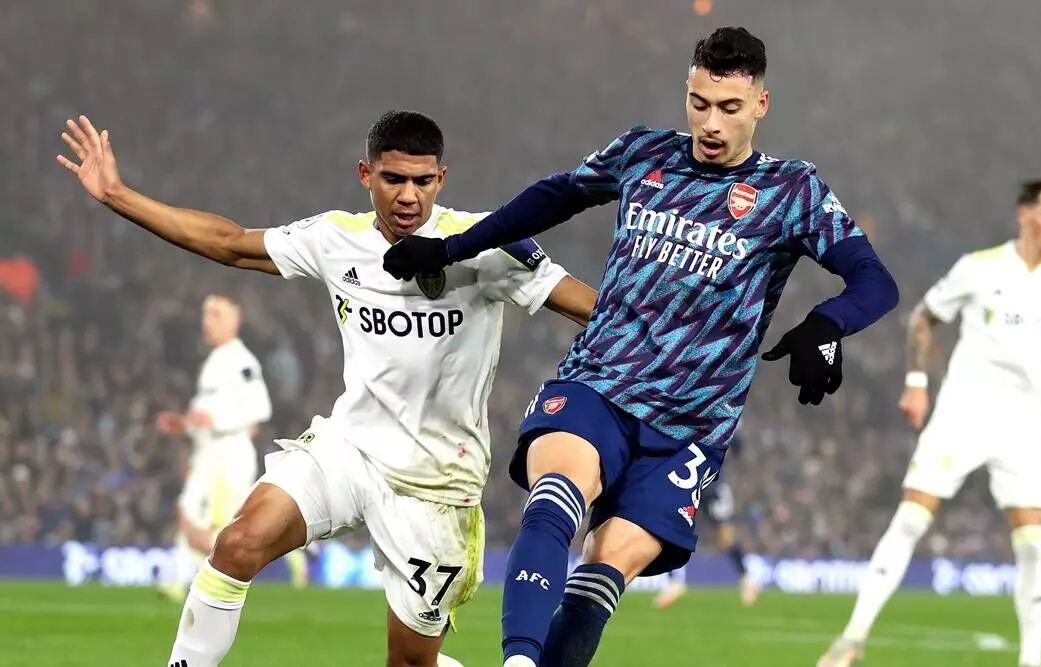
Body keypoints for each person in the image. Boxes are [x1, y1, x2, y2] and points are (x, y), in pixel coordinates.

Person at [380, 27, 900, 667]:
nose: (711, 123)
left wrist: (827, 324)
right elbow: (554, 196)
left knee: (604, 567)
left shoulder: (791, 191)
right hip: (599, 381)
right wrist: (450, 247)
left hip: (690, 427)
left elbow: (875, 280)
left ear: (761, 105)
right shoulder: (644, 152)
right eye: (699, 103)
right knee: (556, 497)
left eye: (729, 108)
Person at [56, 110, 597, 667]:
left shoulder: (485, 244)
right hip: (349, 449)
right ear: (366, 174)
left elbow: (595, 310)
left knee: (410, 662)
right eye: (393, 179)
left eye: (422, 181)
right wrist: (117, 195)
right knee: (237, 544)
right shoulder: (337, 238)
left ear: (441, 178)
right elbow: (231, 243)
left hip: (435, 483)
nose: (408, 196)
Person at [816, 179, 1041, 667]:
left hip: (1024, 427)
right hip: (963, 414)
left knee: (1033, 542)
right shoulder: (979, 268)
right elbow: (922, 318)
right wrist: (916, 382)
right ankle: (852, 639)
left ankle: (1031, 660)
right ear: (1024, 215)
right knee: (911, 519)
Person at [153, 295, 300, 602]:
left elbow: (260, 408)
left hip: (230, 453)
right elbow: (204, 414)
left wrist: (217, 421)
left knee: (228, 524)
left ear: (235, 321)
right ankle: (177, 581)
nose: (207, 321)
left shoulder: (242, 361)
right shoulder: (214, 362)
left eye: (216, 314)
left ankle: (292, 556)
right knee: (191, 511)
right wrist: (183, 424)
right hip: (208, 452)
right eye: (206, 314)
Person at [653, 430, 759, 609]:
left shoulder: (723, 423)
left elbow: (736, 443)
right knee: (675, 525)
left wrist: (726, 451)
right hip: (692, 479)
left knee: (724, 536)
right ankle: (675, 582)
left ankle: (747, 579)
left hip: (714, 485)